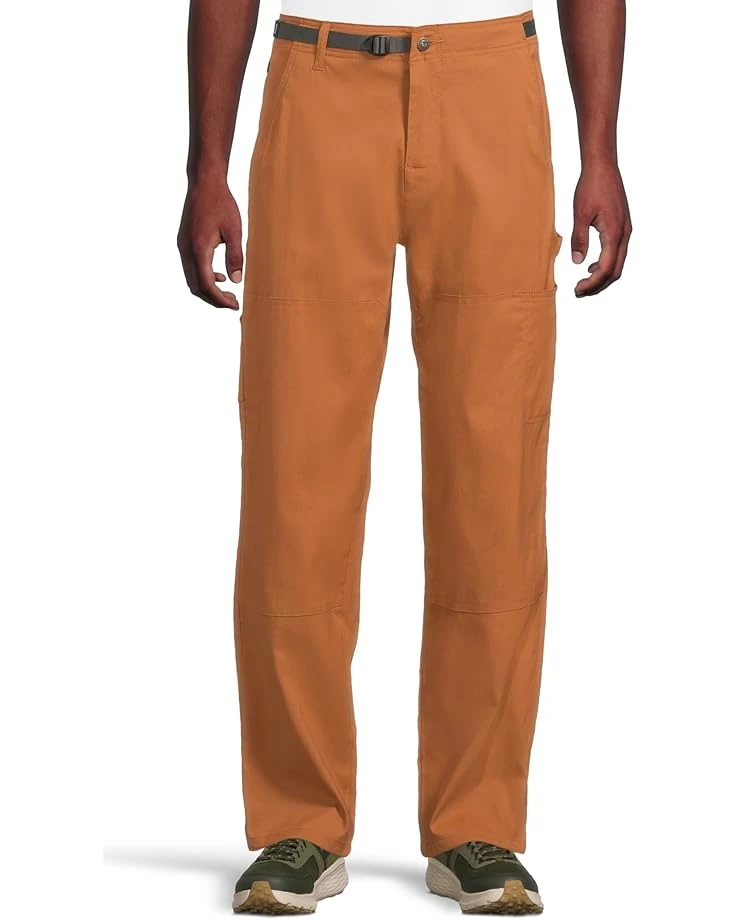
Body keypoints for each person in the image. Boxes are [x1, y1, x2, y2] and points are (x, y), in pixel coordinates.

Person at [178, 0, 631, 913]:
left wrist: (602, 152)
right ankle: (299, 823)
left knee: (494, 478)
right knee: (294, 482)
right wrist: (207, 167)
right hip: (316, 85)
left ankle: (477, 825)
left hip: (492, 83)